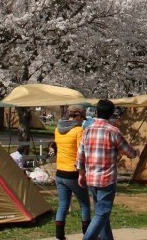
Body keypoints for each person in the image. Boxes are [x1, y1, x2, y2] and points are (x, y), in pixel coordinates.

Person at [77, 99, 138, 240]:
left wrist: (81, 174)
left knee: (101, 212)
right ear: (111, 114)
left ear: (97, 112)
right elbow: (128, 151)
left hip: (91, 178)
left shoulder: (87, 131)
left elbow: (80, 154)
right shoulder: (113, 131)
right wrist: (136, 152)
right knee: (102, 213)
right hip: (106, 178)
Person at [54, 105, 92, 240]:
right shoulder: (78, 130)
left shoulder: (57, 130)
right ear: (78, 117)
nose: (82, 121)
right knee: (85, 204)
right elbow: (80, 154)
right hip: (73, 173)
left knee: (63, 205)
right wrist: (82, 173)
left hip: (59, 172)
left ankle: (59, 236)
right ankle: (87, 234)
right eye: (82, 118)